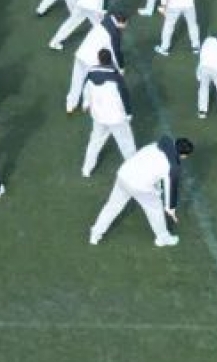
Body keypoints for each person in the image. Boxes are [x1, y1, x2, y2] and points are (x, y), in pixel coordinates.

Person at [88, 139, 191, 248]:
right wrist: (170, 209)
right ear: (183, 155)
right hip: (140, 187)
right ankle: (163, 238)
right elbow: (170, 189)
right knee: (155, 210)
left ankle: (95, 233)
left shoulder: (156, 144)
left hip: (123, 175)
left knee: (112, 206)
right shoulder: (171, 167)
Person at [78, 48, 135, 177]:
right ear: (111, 60)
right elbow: (124, 96)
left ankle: (86, 169)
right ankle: (132, 170)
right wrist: (128, 114)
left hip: (99, 116)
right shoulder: (116, 77)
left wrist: (86, 103)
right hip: (116, 118)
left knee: (95, 142)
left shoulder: (91, 73)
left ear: (99, 59)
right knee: (126, 144)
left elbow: (86, 89)